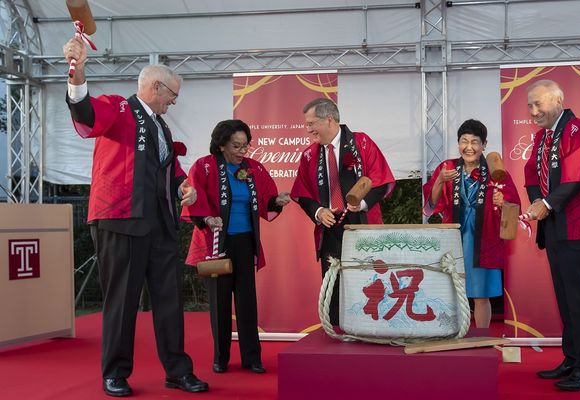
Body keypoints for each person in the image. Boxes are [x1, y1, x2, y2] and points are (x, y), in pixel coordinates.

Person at [63, 37, 208, 396]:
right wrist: (77, 71)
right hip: (120, 217)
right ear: (156, 86)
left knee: (169, 298)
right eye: (173, 94)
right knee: (122, 300)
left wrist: (182, 188)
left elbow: (169, 170)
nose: (175, 101)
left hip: (160, 222)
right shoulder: (119, 107)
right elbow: (85, 114)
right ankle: (114, 372)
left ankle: (177, 370)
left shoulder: (162, 125)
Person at [182, 119, 291, 374]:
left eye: (245, 145)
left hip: (245, 240)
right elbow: (193, 199)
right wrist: (208, 218)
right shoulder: (204, 167)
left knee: (246, 301)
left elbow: (266, 199)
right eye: (236, 146)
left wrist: (277, 200)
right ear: (221, 145)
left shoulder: (253, 168)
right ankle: (220, 357)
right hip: (216, 242)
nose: (242, 151)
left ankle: (252, 357)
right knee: (219, 303)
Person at [522, 80, 580, 391]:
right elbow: (532, 172)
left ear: (557, 101)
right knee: (566, 298)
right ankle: (572, 359)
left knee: (579, 298)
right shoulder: (542, 137)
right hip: (555, 225)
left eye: (538, 104)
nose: (533, 111)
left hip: (579, 225)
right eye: (529, 106)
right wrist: (536, 202)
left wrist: (545, 203)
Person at [291, 98, 395, 326]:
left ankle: (369, 329)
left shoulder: (362, 143)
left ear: (329, 120)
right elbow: (302, 193)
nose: (308, 130)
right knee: (333, 282)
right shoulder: (309, 155)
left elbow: (380, 180)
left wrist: (364, 203)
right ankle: (336, 333)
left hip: (361, 223)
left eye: (311, 123)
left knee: (366, 280)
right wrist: (318, 211)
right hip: (330, 227)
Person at [422, 119, 521, 328]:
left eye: (475, 142)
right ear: (458, 143)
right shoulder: (447, 168)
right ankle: (451, 335)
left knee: (481, 296)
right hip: (453, 239)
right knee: (450, 294)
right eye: (464, 141)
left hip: (483, 240)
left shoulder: (496, 172)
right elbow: (430, 207)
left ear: (484, 145)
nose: (469, 147)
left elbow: (513, 209)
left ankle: (482, 339)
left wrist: (503, 202)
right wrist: (440, 180)